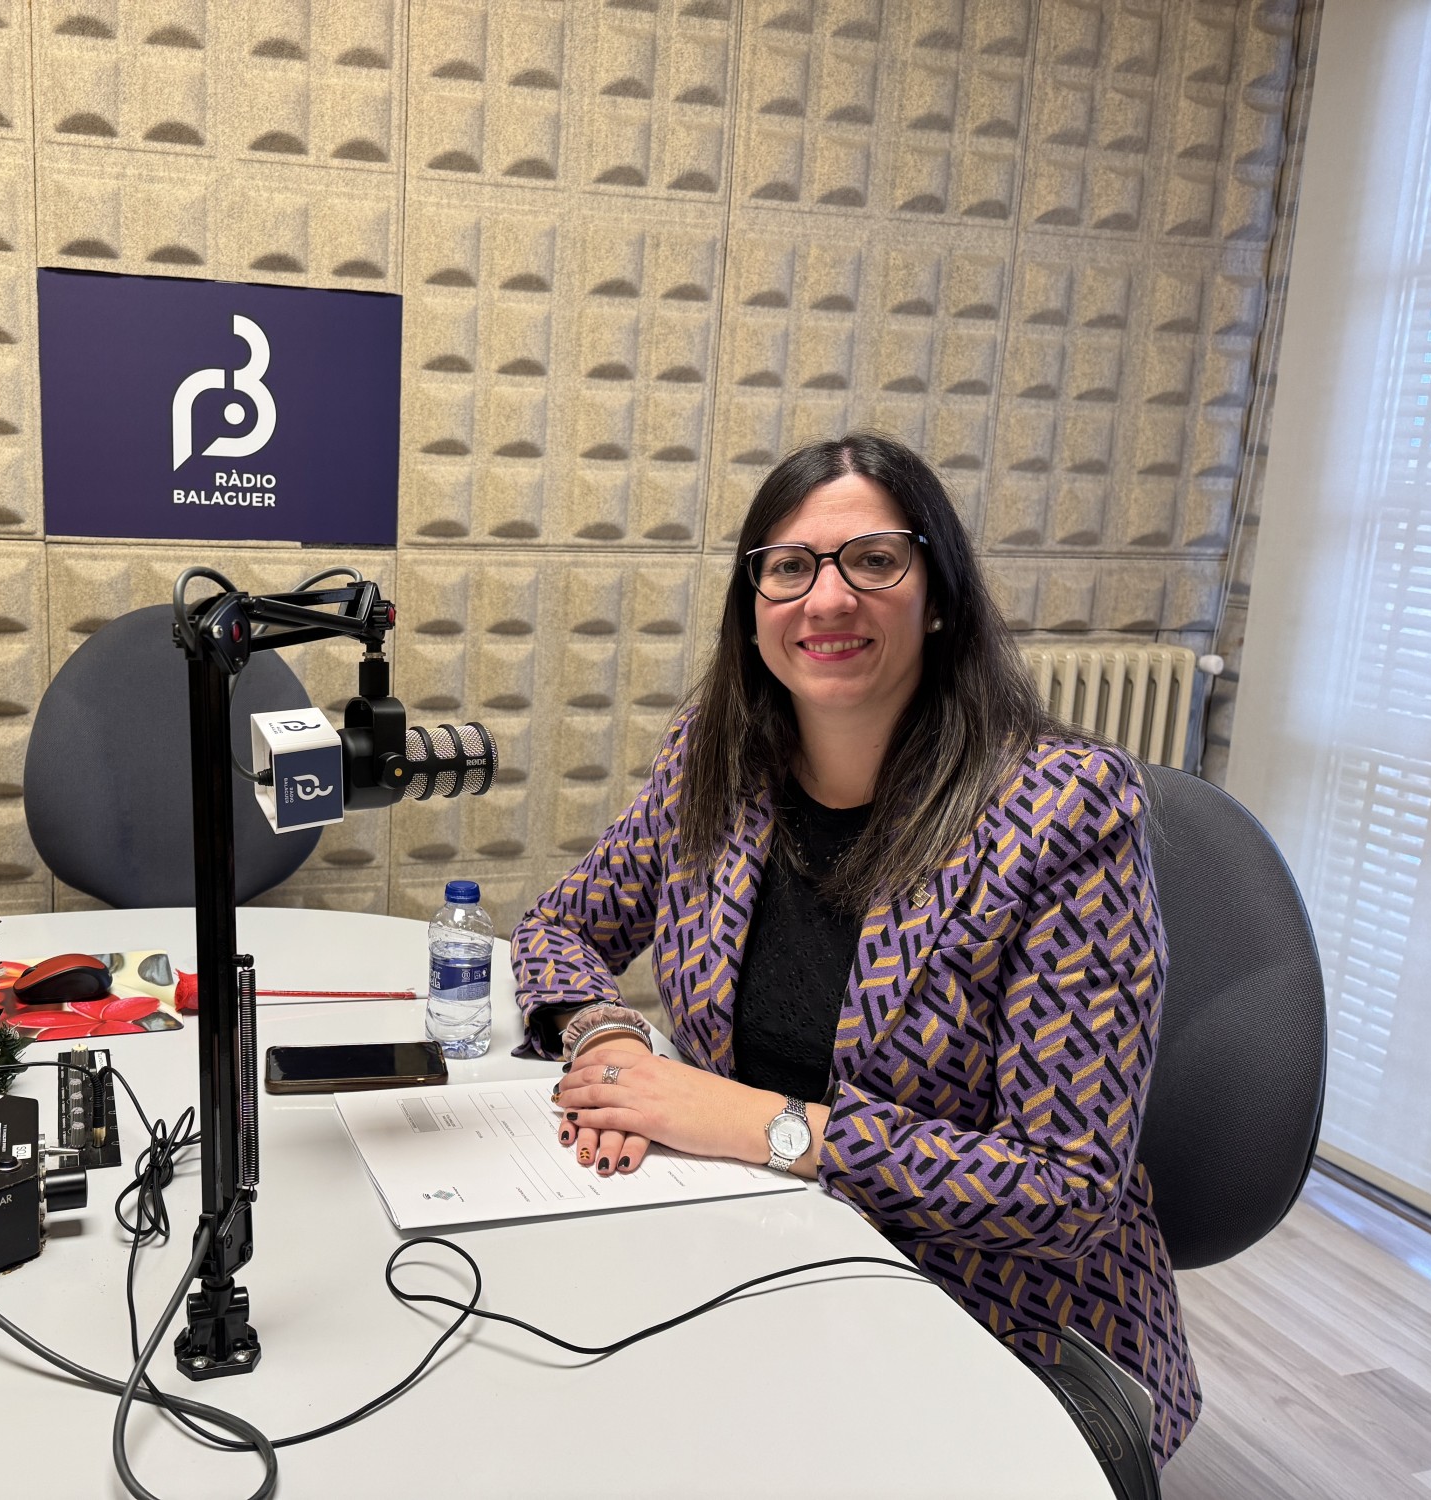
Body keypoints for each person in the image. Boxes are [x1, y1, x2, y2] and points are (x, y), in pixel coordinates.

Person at [513, 432, 1200, 1471]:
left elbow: (1063, 1188)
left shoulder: (1062, 808)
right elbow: (560, 927)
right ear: (751, 608)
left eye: (873, 561)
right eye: (788, 567)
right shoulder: (717, 758)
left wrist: (758, 1124)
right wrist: (610, 1043)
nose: (826, 600)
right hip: (757, 1252)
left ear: (938, 595)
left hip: (988, 1318)